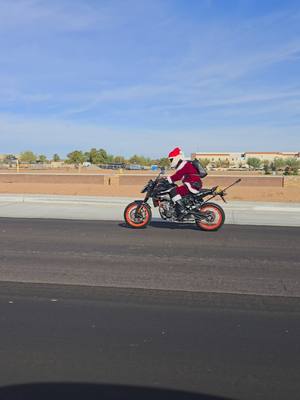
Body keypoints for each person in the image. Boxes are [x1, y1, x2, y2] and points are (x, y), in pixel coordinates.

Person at [166, 147, 203, 218]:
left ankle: (181, 210)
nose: (171, 162)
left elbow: (178, 176)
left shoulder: (184, 164)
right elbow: (178, 175)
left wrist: (167, 179)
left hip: (192, 185)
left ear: (176, 158)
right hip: (193, 184)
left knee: (173, 191)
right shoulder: (185, 164)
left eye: (171, 160)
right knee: (177, 189)